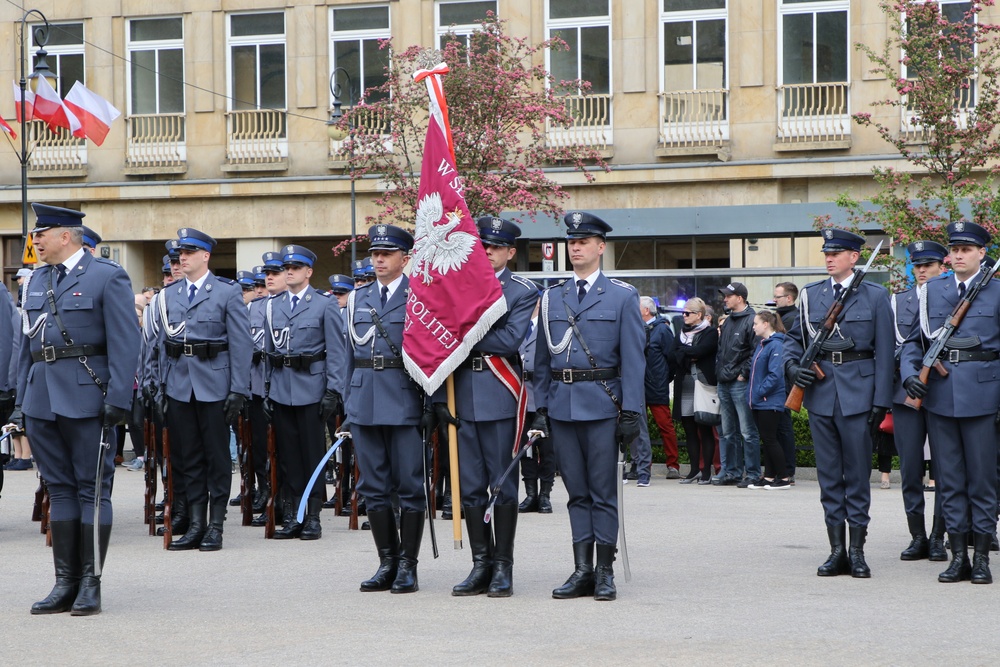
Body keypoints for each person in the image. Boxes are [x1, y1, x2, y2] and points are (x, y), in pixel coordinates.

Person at [14, 203, 140, 616]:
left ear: (65, 235)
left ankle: (91, 582)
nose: (35, 240)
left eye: (41, 233)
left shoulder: (107, 276)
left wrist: (120, 399)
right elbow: (28, 348)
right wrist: (20, 406)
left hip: (89, 397)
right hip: (42, 398)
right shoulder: (36, 281)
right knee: (60, 490)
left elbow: (126, 342)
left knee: (92, 488)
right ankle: (64, 581)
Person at [532, 211, 645, 602]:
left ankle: (604, 571)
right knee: (576, 493)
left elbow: (634, 359)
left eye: (583, 242)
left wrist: (632, 411)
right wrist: (541, 407)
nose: (576, 247)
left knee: (602, 493)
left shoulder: (621, 296)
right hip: (563, 407)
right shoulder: (552, 297)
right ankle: (581, 569)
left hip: (602, 406)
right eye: (571, 242)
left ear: (601, 247)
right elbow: (543, 359)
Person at [785, 228, 894, 578]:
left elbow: (885, 354)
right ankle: (836, 551)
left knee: (858, 475)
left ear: (854, 257)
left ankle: (858, 551)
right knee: (829, 477)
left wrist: (880, 401)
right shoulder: (811, 295)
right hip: (820, 394)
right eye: (826, 253)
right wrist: (793, 369)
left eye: (837, 253)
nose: (829, 259)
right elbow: (792, 341)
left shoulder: (876, 296)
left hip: (859, 395)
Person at [901, 221, 1000, 584]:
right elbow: (913, 342)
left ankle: (982, 558)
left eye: (966, 249)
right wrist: (909, 372)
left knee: (983, 480)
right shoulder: (931, 291)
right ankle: (958, 556)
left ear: (981, 254)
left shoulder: (997, 292)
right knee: (950, 480)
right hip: (939, 396)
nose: (958, 255)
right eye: (954, 249)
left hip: (984, 395)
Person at [449, 216, 535, 598]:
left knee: (501, 487)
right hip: (461, 392)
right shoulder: (456, 285)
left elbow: (509, 340)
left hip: (499, 393)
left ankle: (503, 567)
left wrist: (465, 325)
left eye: (495, 247)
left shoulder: (521, 290)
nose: (487, 253)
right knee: (470, 489)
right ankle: (480, 564)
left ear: (510, 252)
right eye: (482, 247)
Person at [153, 228, 252, 552]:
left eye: (190, 252)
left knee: (217, 457)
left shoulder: (226, 292)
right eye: (181, 252)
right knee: (188, 458)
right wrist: (162, 388)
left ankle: (216, 525)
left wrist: (238, 390)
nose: (183, 257)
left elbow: (240, 344)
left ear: (205, 256)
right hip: (181, 386)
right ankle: (196, 524)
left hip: (215, 385)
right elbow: (163, 346)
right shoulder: (170, 295)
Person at [342, 225, 427, 594]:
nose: (378, 259)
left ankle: (408, 565)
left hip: (404, 398)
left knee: (409, 485)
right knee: (372, 486)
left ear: (405, 259)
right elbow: (347, 357)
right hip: (364, 400)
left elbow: (430, 356)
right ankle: (386, 562)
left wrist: (431, 403)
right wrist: (347, 403)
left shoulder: (420, 298)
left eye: (387, 253)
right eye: (375, 253)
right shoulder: (357, 300)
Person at [264, 245, 347, 540]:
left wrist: (333, 391)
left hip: (312, 389)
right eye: (287, 267)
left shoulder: (324, 304)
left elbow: (337, 352)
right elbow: (269, 352)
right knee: (288, 457)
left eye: (296, 268)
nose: (289, 272)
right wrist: (266, 390)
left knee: (312, 455)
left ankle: (312, 516)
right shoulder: (273, 305)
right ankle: (293, 514)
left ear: (308, 272)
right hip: (281, 390)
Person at [890, 241, 948, 562]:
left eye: (928, 265)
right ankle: (918, 536)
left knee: (945, 469)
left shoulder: (953, 295)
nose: (922, 271)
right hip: (906, 394)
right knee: (911, 469)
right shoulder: (898, 302)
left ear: (942, 265)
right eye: (917, 266)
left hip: (943, 393)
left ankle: (939, 536)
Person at [248, 251, 287, 527]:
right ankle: (265, 490)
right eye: (266, 274)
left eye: (274, 273)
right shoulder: (254, 308)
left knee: (285, 449)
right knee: (260, 447)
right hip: (256, 388)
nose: (268, 279)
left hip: (283, 386)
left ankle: (286, 498)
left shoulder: (296, 305)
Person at [714, 282, 761, 487]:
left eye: (728, 296)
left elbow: (756, 351)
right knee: (727, 431)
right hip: (724, 381)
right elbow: (722, 351)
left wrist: (744, 374)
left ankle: (752, 473)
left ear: (739, 298)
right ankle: (731, 472)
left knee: (747, 431)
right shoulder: (729, 321)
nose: (725, 299)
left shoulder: (752, 320)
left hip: (739, 383)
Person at [670, 298, 719, 485]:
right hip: (685, 384)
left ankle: (706, 471)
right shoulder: (680, 333)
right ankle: (693, 471)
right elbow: (672, 354)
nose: (683, 316)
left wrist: (685, 352)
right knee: (689, 429)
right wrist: (688, 353)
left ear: (698, 315)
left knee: (705, 428)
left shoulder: (710, 332)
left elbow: (703, 350)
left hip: (703, 384)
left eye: (687, 313)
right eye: (683, 313)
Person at [518, 297, 556, 514]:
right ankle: (530, 493)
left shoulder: (548, 327)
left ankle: (545, 495)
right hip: (520, 398)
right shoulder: (517, 325)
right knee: (526, 450)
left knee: (547, 450)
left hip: (543, 396)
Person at [747, 311, 791, 490]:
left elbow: (775, 374)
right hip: (760, 400)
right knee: (767, 439)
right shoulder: (763, 344)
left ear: (766, 324)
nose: (753, 327)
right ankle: (770, 477)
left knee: (770, 439)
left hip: (769, 400)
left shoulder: (776, 345)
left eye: (756, 323)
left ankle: (784, 477)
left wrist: (759, 391)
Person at [640, 296, 678, 481]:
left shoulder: (662, 329)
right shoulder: (638, 328)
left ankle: (673, 465)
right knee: (639, 428)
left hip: (656, 385)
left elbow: (672, 358)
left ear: (646, 310)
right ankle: (641, 465)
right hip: (639, 385)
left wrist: (663, 379)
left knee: (665, 426)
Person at [773, 282, 799, 483]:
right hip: (780, 378)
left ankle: (787, 470)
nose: (775, 300)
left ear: (789, 298)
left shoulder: (792, 319)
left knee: (783, 426)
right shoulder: (784, 317)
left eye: (778, 297)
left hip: (784, 379)